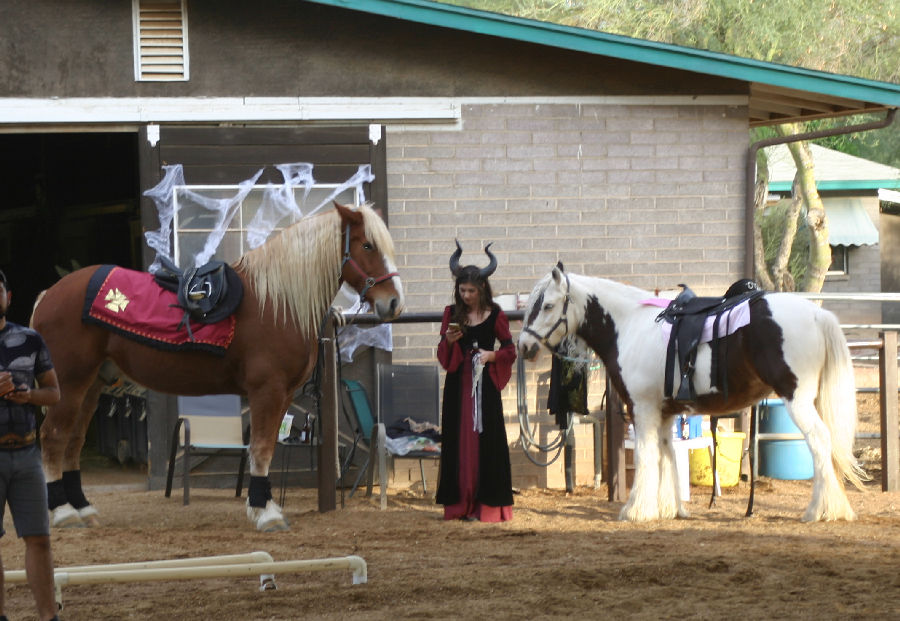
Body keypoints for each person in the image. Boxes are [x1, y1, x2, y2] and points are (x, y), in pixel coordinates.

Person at [435, 241, 516, 522]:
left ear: (482, 288)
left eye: (470, 290)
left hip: (486, 389)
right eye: (461, 289)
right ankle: (460, 506)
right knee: (459, 444)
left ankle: (487, 508)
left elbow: (510, 350)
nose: (465, 295)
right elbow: (444, 357)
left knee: (488, 443)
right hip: (459, 386)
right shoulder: (451, 314)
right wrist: (449, 341)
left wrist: (491, 355)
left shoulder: (496, 315)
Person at [0, 270, 61, 621]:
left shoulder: (30, 340)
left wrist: (28, 397)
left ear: (9, 297)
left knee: (39, 539)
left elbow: (54, 393)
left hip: (26, 455)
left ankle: (47, 617)